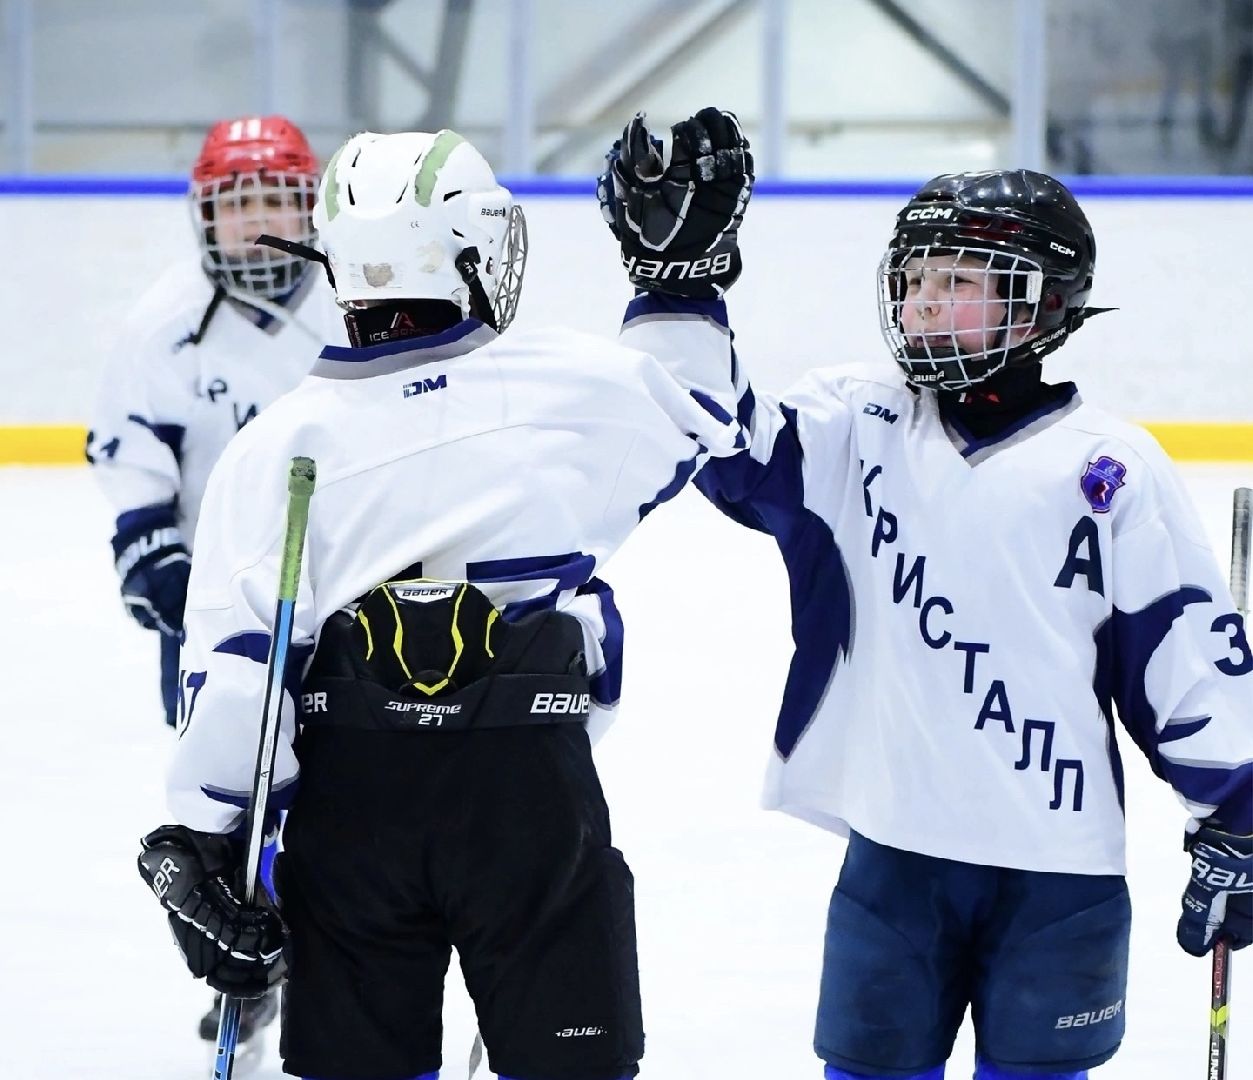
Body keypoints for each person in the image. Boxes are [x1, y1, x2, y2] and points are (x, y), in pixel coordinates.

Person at [600, 109, 1253, 1080]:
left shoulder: (1109, 468)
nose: (919, 305)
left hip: (1057, 872)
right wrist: (675, 292)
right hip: (892, 858)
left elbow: (1184, 657)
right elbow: (722, 440)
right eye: (910, 281)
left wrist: (1234, 816)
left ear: (1040, 305)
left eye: (953, 282)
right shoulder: (854, 422)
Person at [134, 127, 748, 1080]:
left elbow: (237, 679)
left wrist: (203, 839)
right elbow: (703, 407)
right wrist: (678, 278)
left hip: (351, 814)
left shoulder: (276, 447)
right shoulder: (569, 390)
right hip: (528, 800)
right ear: (471, 250)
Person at [87, 113, 340, 1049]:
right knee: (222, 804)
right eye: (241, 203)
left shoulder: (348, 299)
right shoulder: (161, 324)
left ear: (310, 207)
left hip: (340, 597)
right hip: (211, 610)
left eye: (279, 197)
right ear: (205, 215)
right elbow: (128, 449)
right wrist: (151, 551)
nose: (260, 219)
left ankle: (336, 956)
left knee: (341, 794)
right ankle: (244, 962)